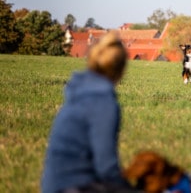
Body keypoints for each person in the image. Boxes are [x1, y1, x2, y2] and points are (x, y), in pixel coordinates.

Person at [41, 31, 140, 193]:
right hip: (75, 187)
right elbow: (106, 167)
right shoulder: (103, 102)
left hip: (53, 185)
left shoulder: (78, 92)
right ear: (121, 69)